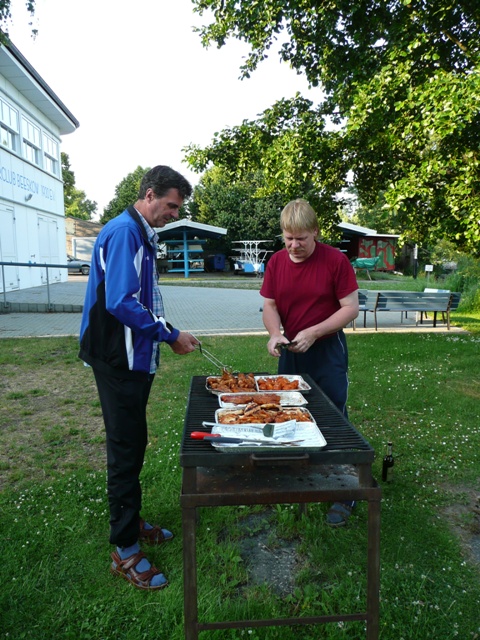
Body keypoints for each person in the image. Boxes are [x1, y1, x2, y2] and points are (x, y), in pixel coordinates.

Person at [79, 165, 199, 590]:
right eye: (170, 206)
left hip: (131, 359)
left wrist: (163, 333)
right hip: (116, 358)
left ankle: (132, 523)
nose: (173, 214)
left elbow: (143, 297)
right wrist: (170, 335)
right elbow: (120, 302)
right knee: (126, 449)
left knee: (133, 441)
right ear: (149, 195)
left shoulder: (141, 232)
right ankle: (124, 549)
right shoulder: (125, 232)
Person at [260, 198, 359, 527]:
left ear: (315, 232)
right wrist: (275, 334)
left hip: (327, 348)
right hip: (291, 349)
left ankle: (345, 490)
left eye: (301, 238)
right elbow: (270, 306)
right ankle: (297, 479)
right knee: (289, 411)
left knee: (333, 415)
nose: (293, 245)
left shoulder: (335, 261)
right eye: (288, 238)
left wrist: (315, 332)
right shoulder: (276, 263)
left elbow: (350, 307)